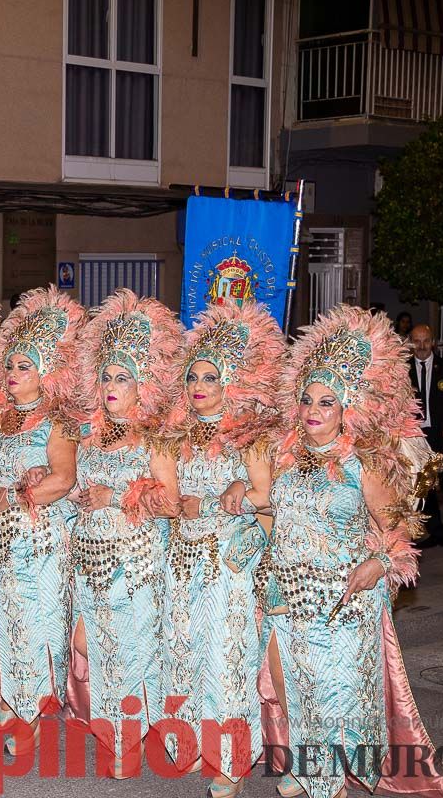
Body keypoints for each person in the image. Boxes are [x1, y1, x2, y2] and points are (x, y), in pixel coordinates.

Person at [250, 304, 443, 798]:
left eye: (327, 401)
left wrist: (380, 562)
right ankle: (309, 769)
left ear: (347, 408)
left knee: (335, 698)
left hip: (342, 601)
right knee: (293, 691)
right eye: (307, 400)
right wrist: (241, 496)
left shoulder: (362, 464)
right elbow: (273, 513)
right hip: (286, 594)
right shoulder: (283, 456)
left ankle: (333, 782)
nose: (314, 411)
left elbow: (399, 530)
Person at [159, 300, 285, 797]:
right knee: (182, 650)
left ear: (230, 381)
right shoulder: (175, 434)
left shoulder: (250, 436)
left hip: (231, 562)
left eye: (210, 377)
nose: (199, 386)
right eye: (193, 376)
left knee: (226, 656)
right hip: (183, 558)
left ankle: (231, 759)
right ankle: (190, 744)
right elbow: (167, 497)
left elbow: (266, 494)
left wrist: (225, 492)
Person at [65, 289, 182, 774]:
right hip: (90, 557)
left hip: (135, 559)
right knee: (96, 646)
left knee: (130, 647)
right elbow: (79, 485)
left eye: (123, 378)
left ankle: (127, 743)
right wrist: (78, 496)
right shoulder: (89, 432)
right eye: (107, 376)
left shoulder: (155, 435)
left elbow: (171, 502)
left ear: (143, 386)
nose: (112, 385)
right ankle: (120, 732)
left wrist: (114, 498)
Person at [0, 286, 83, 750]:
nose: (13, 374)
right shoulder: (1, 420)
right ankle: (17, 694)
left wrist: (16, 495)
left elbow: (65, 479)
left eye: (24, 366)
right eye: (10, 365)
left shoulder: (59, 421)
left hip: (38, 544)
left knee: (30, 628)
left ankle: (27, 712)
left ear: (47, 373)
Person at [408, 324, 443, 550]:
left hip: (442, 435)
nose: (421, 346)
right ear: (410, 343)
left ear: (433, 342)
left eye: (425, 340)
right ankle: (437, 532)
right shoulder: (402, 370)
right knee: (424, 489)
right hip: (416, 437)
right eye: (416, 341)